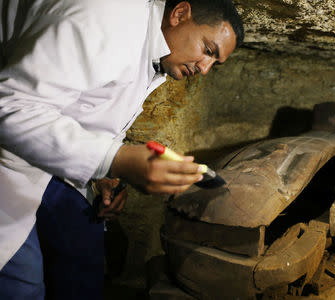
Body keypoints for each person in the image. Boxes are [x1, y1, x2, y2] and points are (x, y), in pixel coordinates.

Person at [0, 0, 244, 299]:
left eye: (214, 65)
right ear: (180, 14)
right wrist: (114, 159)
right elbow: (11, 107)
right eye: (208, 50)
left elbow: (87, 107)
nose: (205, 69)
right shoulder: (105, 18)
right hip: (8, 149)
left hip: (39, 154)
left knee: (84, 261)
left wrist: (105, 177)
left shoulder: (155, 50)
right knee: (23, 285)